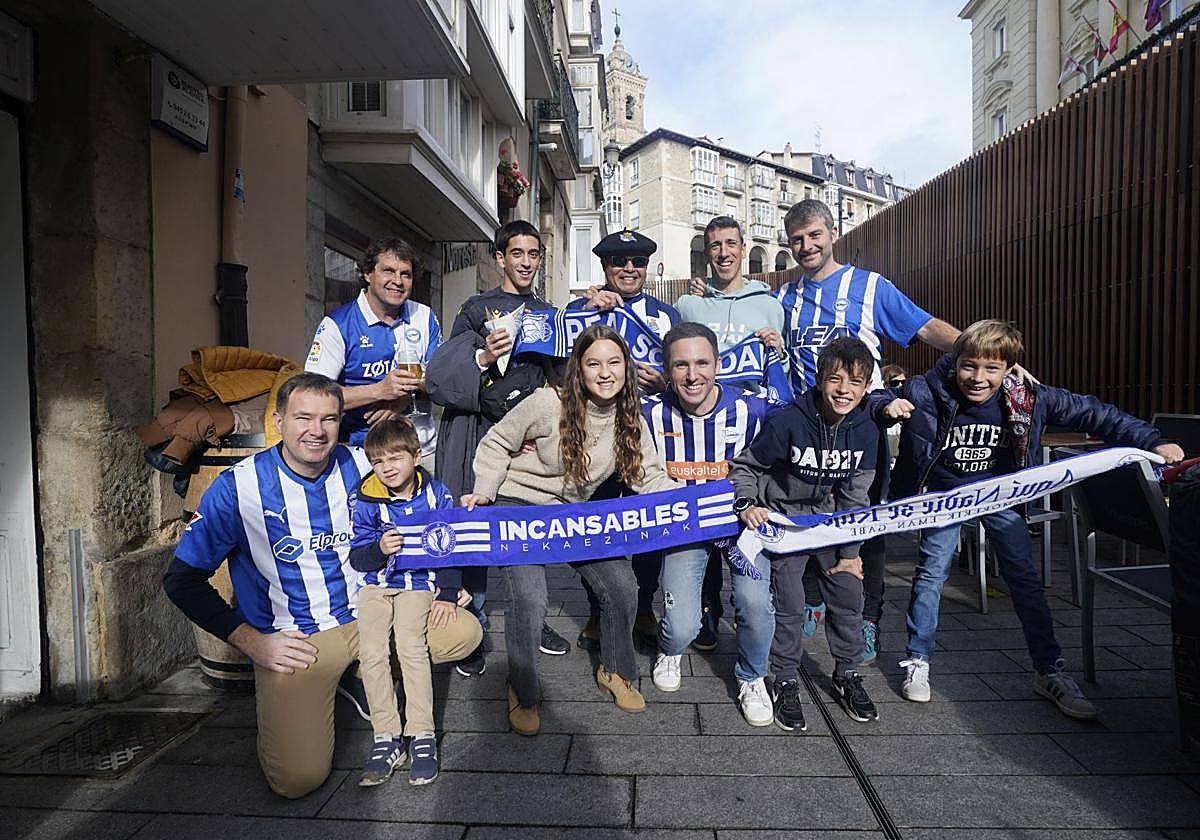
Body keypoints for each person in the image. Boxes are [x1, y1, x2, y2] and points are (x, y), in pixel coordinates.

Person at [877, 319, 1184, 718]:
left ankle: (1048, 669)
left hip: (1000, 497)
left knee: (1024, 579)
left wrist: (1154, 440)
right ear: (955, 362)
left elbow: (1096, 414)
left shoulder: (1030, 397)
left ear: (1009, 369)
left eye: (991, 368)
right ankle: (918, 660)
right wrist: (886, 406)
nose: (978, 378)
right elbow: (874, 399)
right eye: (969, 365)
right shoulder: (924, 389)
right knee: (931, 573)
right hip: (946, 498)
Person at [461, 324, 679, 736]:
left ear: (626, 368)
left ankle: (616, 670)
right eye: (593, 363)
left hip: (575, 513)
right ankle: (522, 690)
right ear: (578, 369)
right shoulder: (547, 403)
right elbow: (497, 442)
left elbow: (648, 477)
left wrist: (690, 501)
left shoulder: (630, 416)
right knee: (529, 598)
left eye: (614, 362)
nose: (605, 372)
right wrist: (484, 492)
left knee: (620, 585)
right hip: (520, 504)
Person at [162, 373, 368, 798]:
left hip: (369, 616)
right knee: (296, 781)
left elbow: (418, 514)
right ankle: (327, 682)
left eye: (329, 419)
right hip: (298, 638)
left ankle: (359, 673)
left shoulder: (362, 465)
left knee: (463, 633)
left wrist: (443, 585)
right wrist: (253, 643)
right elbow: (182, 580)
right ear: (278, 421)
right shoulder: (238, 487)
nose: (317, 430)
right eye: (304, 418)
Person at [775, 199, 962, 665]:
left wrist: (986, 350)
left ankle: (869, 619)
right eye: (797, 239)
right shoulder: (784, 298)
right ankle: (818, 598)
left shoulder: (869, 286)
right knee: (808, 513)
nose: (806, 246)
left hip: (863, 426)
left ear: (832, 233)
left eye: (814, 235)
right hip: (809, 427)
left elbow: (924, 328)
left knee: (867, 524)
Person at [425, 220, 570, 670]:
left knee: (529, 529)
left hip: (528, 442)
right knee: (476, 524)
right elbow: (444, 373)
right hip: (477, 433)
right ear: (500, 258)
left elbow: (556, 382)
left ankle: (533, 616)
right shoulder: (476, 309)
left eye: (533, 254)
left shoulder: (549, 313)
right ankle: (476, 624)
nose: (526, 262)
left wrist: (542, 437)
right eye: (517, 253)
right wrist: (485, 355)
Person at [729, 337, 882, 731]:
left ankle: (847, 672)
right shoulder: (788, 422)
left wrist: (851, 552)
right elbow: (746, 467)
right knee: (791, 604)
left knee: (849, 593)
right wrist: (748, 503)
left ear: (867, 388)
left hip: (829, 524)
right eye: (835, 380)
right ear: (819, 380)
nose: (844, 390)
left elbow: (856, 497)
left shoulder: (866, 431)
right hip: (784, 523)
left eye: (855, 383)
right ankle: (784, 678)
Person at [644, 322, 781, 726]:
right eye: (681, 365)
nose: (692, 375)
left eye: (702, 362)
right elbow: (591, 424)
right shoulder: (649, 413)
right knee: (682, 625)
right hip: (685, 527)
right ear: (667, 370)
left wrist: (776, 358)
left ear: (719, 364)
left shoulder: (751, 408)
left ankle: (752, 676)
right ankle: (670, 650)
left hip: (743, 526)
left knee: (755, 604)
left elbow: (801, 412)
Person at [673, 215, 787, 650]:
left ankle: (753, 609)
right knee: (702, 523)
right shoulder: (688, 306)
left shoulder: (770, 305)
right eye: (715, 245)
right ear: (707, 253)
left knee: (747, 520)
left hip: (751, 434)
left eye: (730, 244)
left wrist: (776, 349)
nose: (723, 252)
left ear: (744, 248)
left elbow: (786, 371)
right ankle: (707, 611)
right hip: (698, 433)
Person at [348, 418, 482, 787]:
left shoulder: (437, 494)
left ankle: (421, 732)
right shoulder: (365, 499)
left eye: (395, 458)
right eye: (378, 461)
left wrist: (451, 590)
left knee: (411, 646)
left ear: (416, 455)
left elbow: (451, 546)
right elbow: (357, 557)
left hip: (417, 585)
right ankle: (386, 736)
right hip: (375, 587)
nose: (387, 468)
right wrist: (378, 549)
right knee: (372, 653)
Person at [571, 229, 681, 651]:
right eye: (619, 261)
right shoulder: (584, 312)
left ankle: (643, 606)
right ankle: (598, 610)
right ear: (605, 267)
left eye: (637, 261)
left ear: (647, 266)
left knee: (648, 526)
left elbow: (690, 374)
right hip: (594, 440)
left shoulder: (665, 315)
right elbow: (563, 367)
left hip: (648, 440)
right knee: (594, 525)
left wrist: (666, 380)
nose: (629, 268)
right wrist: (585, 310)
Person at [305, 237, 440, 458]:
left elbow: (441, 381)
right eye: (388, 271)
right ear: (368, 274)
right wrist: (378, 391)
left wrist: (402, 399)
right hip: (359, 452)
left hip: (421, 452)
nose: (398, 281)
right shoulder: (337, 324)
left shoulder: (424, 317)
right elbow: (314, 395)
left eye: (405, 274)